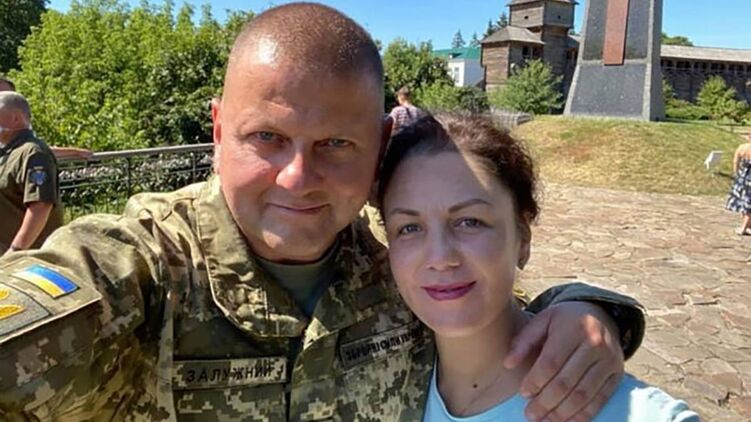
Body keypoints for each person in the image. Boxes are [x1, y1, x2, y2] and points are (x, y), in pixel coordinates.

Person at [0, 4, 644, 421]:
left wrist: (590, 310)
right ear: (218, 132)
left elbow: (496, 308)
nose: (298, 177)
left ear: (379, 148)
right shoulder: (139, 271)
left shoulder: (394, 274)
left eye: (336, 144)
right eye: (267, 138)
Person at [378, 113, 699, 421]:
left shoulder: (640, 414)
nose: (439, 257)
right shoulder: (382, 380)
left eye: (469, 222)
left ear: (523, 238)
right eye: (409, 228)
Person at [0, 92, 64, 256]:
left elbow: (40, 206)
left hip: (28, 259)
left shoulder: (33, 153)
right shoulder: (9, 152)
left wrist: (15, 251)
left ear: (15, 118)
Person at [0, 74, 92, 161]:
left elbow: (36, 149)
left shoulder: (21, 124)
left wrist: (75, 152)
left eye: (6, 94)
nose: (2, 97)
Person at [727, 131, 751, 235]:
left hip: (743, 176)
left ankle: (748, 225)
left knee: (744, 201)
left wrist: (737, 174)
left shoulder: (742, 147)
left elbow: (735, 162)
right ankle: (745, 227)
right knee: (749, 203)